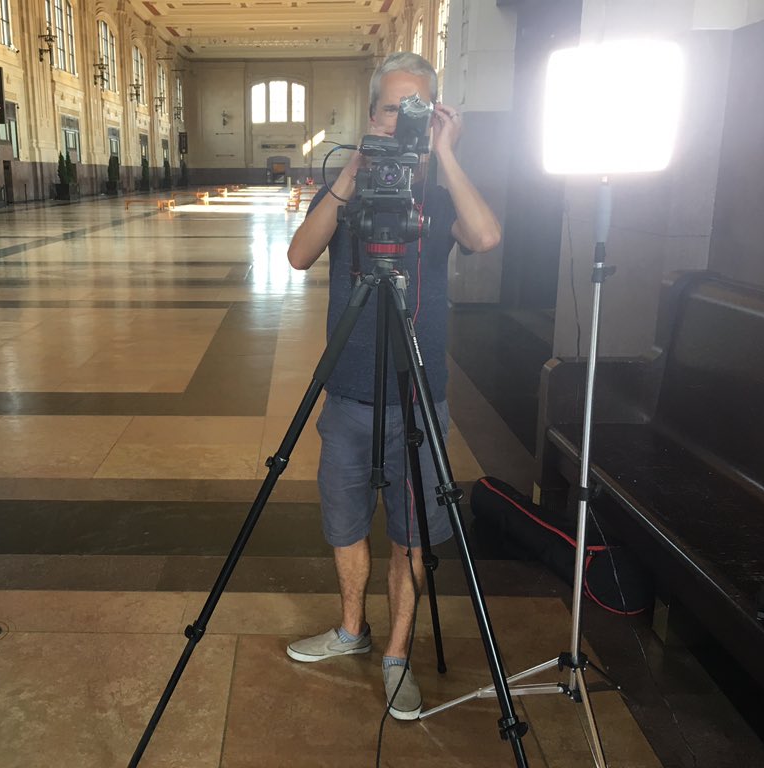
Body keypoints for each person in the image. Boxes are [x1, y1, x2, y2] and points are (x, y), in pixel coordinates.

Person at [285, 51, 501, 720]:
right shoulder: (348, 195)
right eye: (389, 107)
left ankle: (397, 654)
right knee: (345, 523)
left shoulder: (439, 199)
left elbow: (487, 236)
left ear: (435, 117)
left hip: (418, 398)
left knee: (411, 536)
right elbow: (297, 254)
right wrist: (354, 167)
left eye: (416, 109)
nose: (398, 120)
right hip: (347, 395)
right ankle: (353, 630)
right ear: (369, 113)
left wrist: (446, 154)